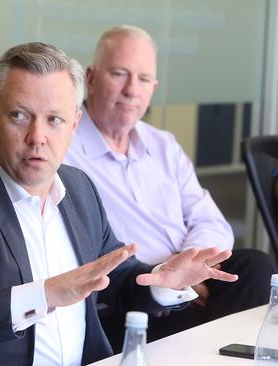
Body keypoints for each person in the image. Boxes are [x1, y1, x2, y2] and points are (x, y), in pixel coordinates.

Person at [0, 42, 238, 365]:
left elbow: (117, 279)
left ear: (74, 124)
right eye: (19, 116)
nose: (37, 137)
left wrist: (163, 281)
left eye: (54, 119)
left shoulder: (78, 187)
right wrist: (44, 295)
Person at [65, 25, 276, 349]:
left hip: (191, 271)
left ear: (153, 88)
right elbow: (88, 251)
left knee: (255, 266)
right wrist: (169, 277)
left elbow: (210, 221)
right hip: (132, 289)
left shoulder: (162, 144)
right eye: (120, 74)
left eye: (144, 79)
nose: (131, 90)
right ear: (91, 79)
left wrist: (191, 269)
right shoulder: (66, 151)